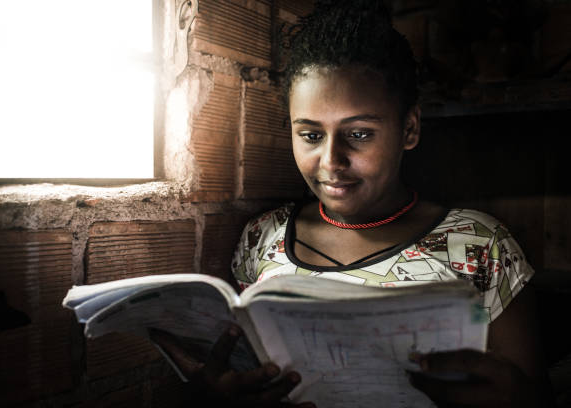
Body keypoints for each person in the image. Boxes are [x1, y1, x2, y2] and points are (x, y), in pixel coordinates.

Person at [150, 1, 552, 406]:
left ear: (409, 129)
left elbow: (533, 395)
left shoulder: (481, 245)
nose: (331, 162)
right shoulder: (263, 236)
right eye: (310, 135)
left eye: (359, 134)